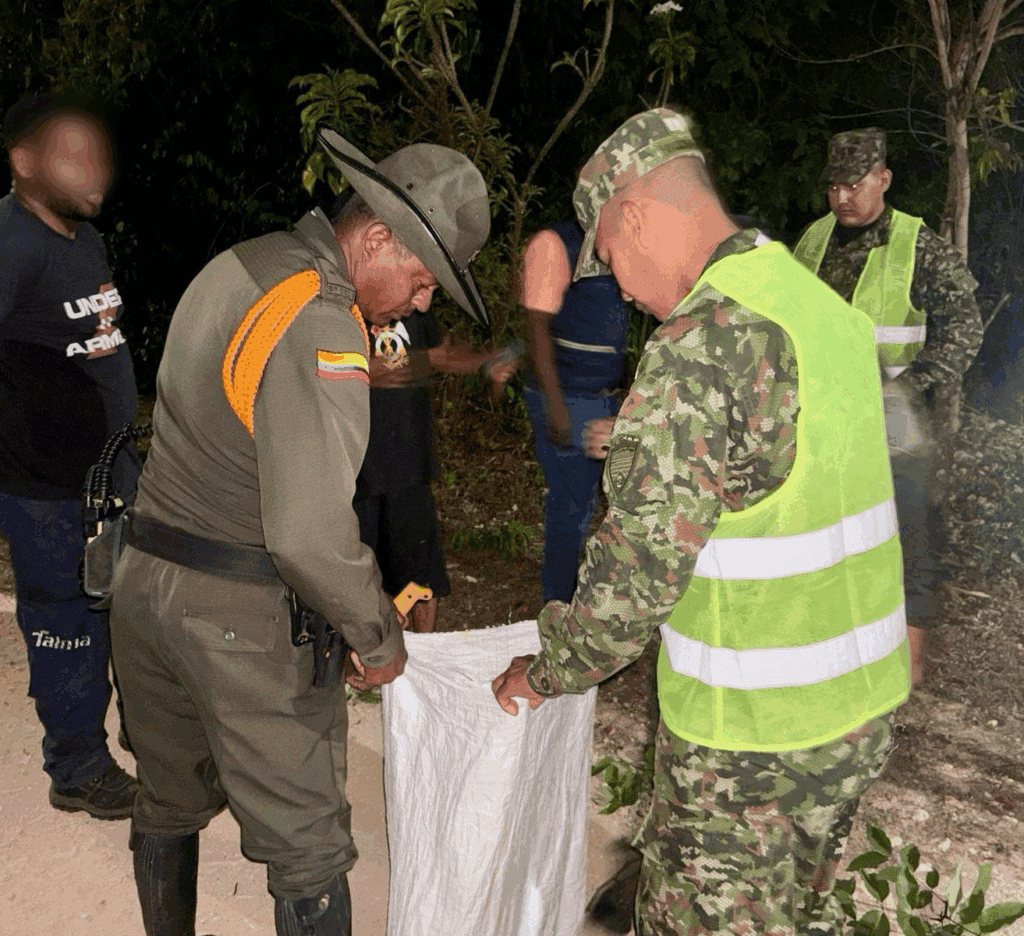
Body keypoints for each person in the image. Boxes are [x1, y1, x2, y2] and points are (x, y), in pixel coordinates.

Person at [492, 108, 911, 935]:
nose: (615, 285)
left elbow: (635, 578)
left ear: (635, 215)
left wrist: (543, 671)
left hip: (748, 742)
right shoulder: (818, 305)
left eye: (608, 256)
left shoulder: (703, 342)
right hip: (854, 716)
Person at [108, 129, 491, 936]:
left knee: (168, 798)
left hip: (143, 584)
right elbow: (309, 536)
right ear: (378, 237)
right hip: (235, 616)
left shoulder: (244, 263)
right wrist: (375, 635)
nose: (420, 305)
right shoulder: (323, 319)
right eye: (422, 281)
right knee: (309, 849)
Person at [793, 128, 983, 687]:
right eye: (834, 186)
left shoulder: (916, 244)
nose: (843, 197)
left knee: (909, 532)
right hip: (825, 410)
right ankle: (830, 647)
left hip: (895, 410)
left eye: (855, 184)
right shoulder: (813, 240)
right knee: (824, 527)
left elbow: (964, 329)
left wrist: (909, 385)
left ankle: (906, 666)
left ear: (883, 178)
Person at [0, 93, 140, 820]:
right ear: (25, 164)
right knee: (66, 619)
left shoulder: (84, 241)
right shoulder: (11, 241)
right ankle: (76, 766)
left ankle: (138, 738)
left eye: (97, 152)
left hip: (107, 471)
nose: (96, 169)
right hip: (45, 486)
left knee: (125, 609)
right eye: (72, 154)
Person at [355, 288, 516, 634]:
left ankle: (423, 657)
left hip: (409, 465)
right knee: (361, 572)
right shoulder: (349, 303)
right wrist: (433, 360)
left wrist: (485, 361)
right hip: (356, 468)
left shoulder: (416, 309)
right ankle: (364, 656)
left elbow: (441, 354)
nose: (423, 295)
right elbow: (375, 370)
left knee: (421, 576)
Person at [521, 220, 631, 604]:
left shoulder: (614, 244)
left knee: (590, 505)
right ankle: (558, 603)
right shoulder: (560, 242)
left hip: (603, 398)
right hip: (569, 397)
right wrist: (555, 404)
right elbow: (536, 323)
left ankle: (577, 596)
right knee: (570, 508)